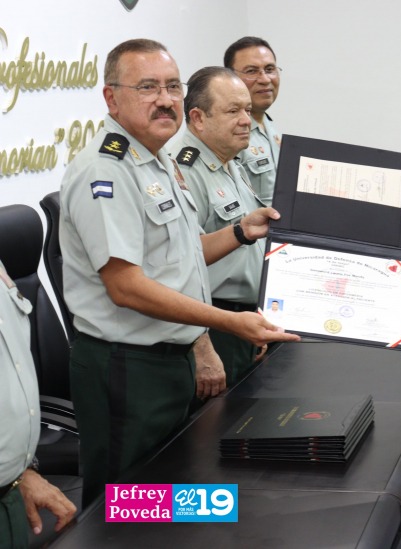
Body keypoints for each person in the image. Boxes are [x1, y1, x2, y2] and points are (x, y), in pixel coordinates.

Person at [59, 39, 300, 506]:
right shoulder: (105, 171)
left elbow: (183, 257)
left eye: (173, 86)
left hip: (170, 359)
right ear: (111, 97)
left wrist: (242, 231)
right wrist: (228, 322)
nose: (165, 99)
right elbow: (126, 287)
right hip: (127, 367)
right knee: (123, 508)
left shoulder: (156, 160)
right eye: (148, 87)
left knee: (167, 502)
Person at [173, 67, 268, 389]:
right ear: (198, 118)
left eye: (247, 110)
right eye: (233, 111)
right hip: (213, 326)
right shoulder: (183, 169)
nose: (246, 120)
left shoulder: (229, 161)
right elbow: (178, 267)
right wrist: (201, 345)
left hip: (242, 322)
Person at [1, 260, 77, 547]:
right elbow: (126, 287)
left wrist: (21, 473)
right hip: (129, 369)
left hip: (12, 488)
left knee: (185, 509)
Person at [224, 36, 282, 205]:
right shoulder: (228, 131)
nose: (265, 79)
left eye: (270, 69)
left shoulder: (269, 126)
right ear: (230, 78)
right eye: (251, 71)